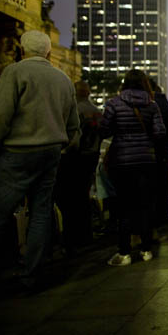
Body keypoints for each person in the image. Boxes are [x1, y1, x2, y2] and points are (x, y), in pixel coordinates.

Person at [0, 30, 79, 288]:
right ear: (49, 51)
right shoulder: (62, 79)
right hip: (51, 151)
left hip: (17, 151)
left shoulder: (15, 73)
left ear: (21, 49)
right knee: (41, 212)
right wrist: (63, 146)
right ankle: (32, 274)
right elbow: (73, 125)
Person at [101, 69, 165, 266]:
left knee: (124, 206)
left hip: (122, 161)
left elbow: (103, 129)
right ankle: (146, 250)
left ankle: (124, 252)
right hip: (146, 160)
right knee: (145, 205)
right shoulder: (151, 105)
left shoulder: (114, 104)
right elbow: (160, 133)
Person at [54, 81, 103, 254]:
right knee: (84, 195)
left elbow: (71, 135)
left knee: (69, 198)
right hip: (92, 156)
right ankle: (86, 234)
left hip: (75, 158)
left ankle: (72, 238)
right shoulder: (97, 111)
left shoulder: (73, 110)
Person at [149, 79, 168, 228]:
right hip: (163, 149)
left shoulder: (153, 104)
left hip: (153, 150)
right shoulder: (164, 102)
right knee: (162, 182)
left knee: (154, 184)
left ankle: (156, 218)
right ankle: (163, 214)